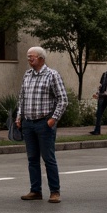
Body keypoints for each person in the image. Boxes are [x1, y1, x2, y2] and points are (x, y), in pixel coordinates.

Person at [14, 46, 67, 203]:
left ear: (42, 59)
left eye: (32, 57)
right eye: (28, 57)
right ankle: (35, 190)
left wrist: (53, 119)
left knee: (48, 158)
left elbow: (63, 99)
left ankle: (55, 192)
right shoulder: (27, 75)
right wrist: (19, 117)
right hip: (28, 123)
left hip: (44, 123)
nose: (29, 59)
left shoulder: (52, 75)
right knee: (32, 159)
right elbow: (22, 98)